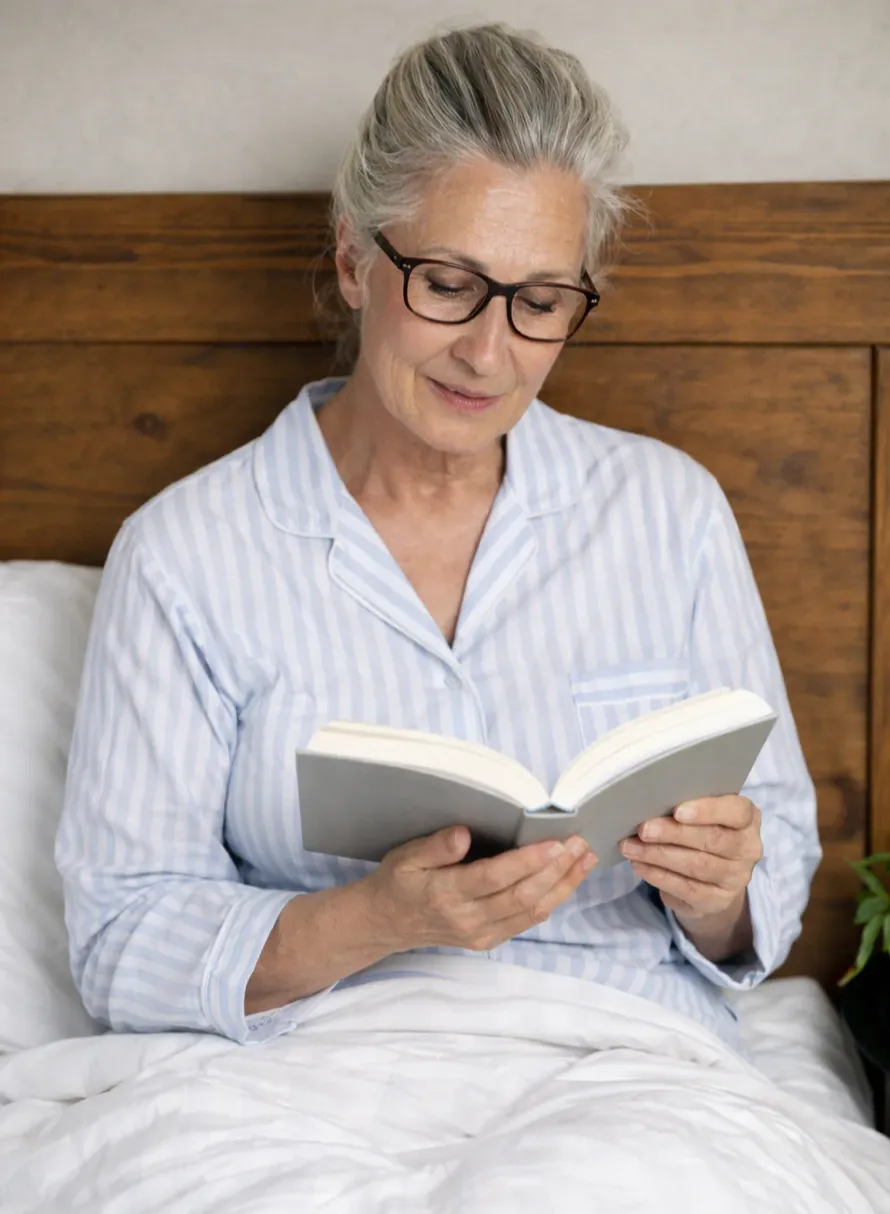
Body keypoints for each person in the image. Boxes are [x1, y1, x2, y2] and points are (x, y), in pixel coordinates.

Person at [55, 21, 820, 1052]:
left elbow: (767, 879)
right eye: (449, 285)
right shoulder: (182, 553)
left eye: (540, 301)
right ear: (353, 262)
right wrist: (373, 920)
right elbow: (119, 936)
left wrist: (718, 890)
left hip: (620, 1060)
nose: (488, 352)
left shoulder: (665, 510)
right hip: (315, 1071)